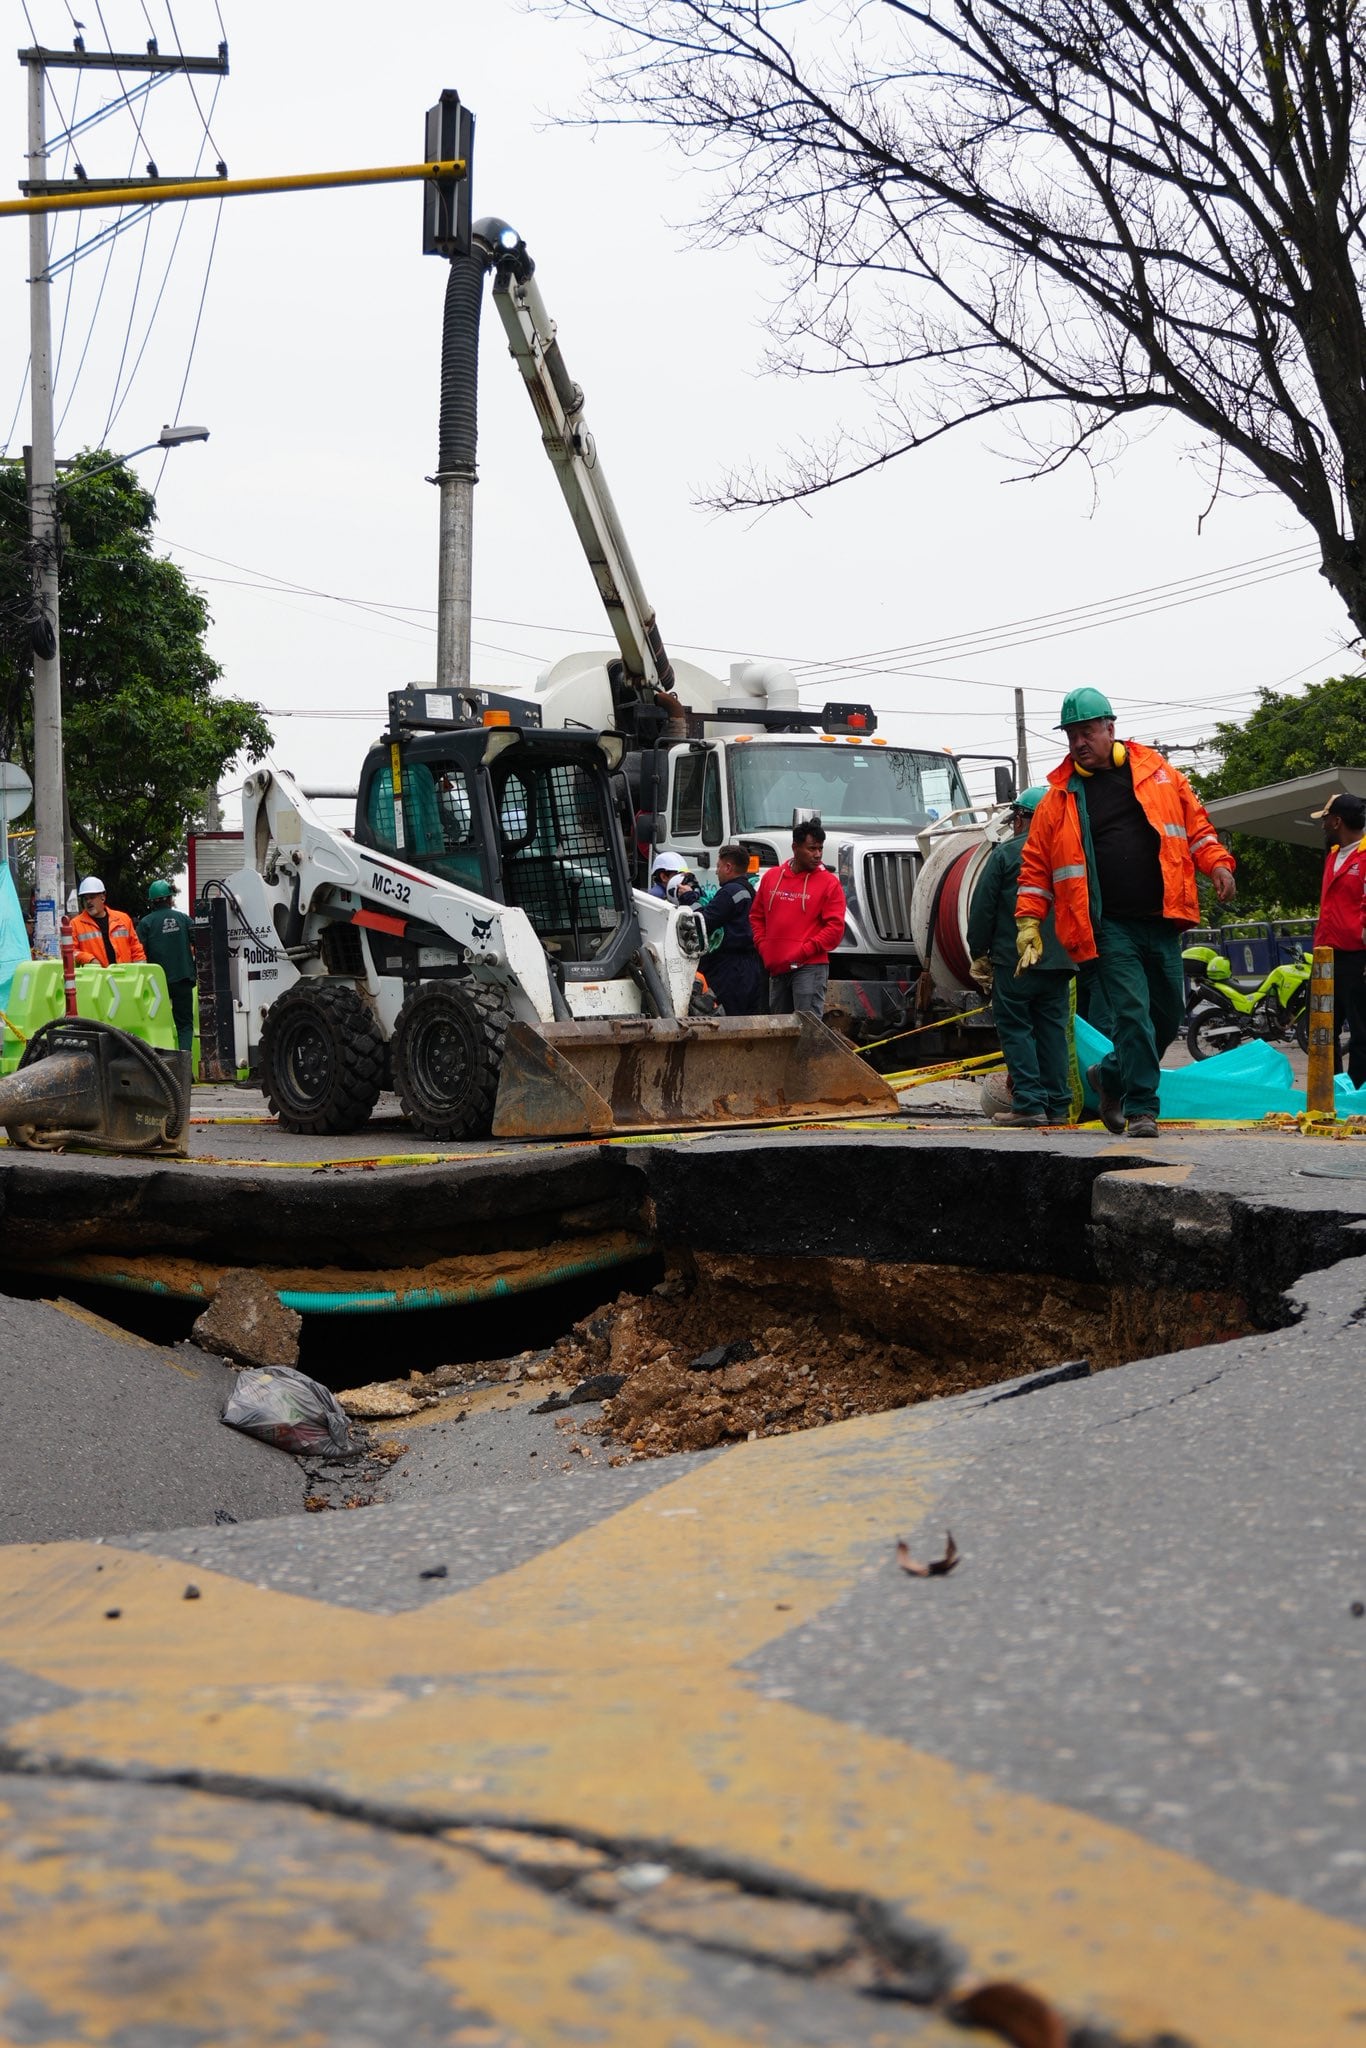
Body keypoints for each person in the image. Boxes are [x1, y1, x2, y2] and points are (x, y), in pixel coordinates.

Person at [1016, 688, 1236, 1139]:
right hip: (1108, 926)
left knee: (1167, 1013)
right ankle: (1141, 1109)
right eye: (1072, 734)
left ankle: (1111, 1074)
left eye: (1087, 731)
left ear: (1110, 729)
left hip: (1162, 919)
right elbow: (1036, 867)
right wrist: (1028, 922)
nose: (1079, 741)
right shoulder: (1059, 798)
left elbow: (1197, 829)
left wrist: (1216, 863)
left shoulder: (1160, 775)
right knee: (1132, 1014)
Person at [967, 787, 1073, 1127]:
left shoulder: (1007, 854)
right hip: (1061, 961)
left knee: (1016, 1028)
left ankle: (1028, 1103)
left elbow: (983, 908)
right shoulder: (1072, 855)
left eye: (1016, 818)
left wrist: (978, 951)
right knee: (1053, 1031)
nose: (1014, 825)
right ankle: (1057, 1105)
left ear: (1026, 818)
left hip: (1017, 961)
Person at [750, 818, 846, 1018]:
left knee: (807, 1028)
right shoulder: (771, 877)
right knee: (779, 1029)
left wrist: (804, 951)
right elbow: (756, 916)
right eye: (812, 848)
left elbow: (835, 929)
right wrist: (763, 945)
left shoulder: (829, 883)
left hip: (809, 967)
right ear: (795, 847)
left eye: (820, 848)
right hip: (777, 966)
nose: (818, 854)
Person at [1310, 791, 1366, 1087]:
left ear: (1338, 820)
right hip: (1326, 955)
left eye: (1326, 819)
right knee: (1323, 1027)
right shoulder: (1332, 855)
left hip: (1356, 956)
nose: (1323, 825)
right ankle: (1328, 1089)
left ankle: (1358, 1090)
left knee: (1360, 1031)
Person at [701, 843, 766, 1015]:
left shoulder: (729, 893)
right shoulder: (751, 891)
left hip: (730, 969)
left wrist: (690, 900)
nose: (716, 871)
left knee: (728, 1018)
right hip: (753, 967)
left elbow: (704, 923)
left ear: (728, 867)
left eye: (718, 866)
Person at [137, 879, 198, 1054]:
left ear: (152, 902)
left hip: (156, 984)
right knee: (185, 1025)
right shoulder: (184, 919)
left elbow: (138, 954)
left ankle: (164, 1067)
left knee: (158, 1024)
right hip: (183, 978)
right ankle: (185, 1068)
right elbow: (201, 944)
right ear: (170, 899)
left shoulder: (146, 924)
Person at [69, 876, 146, 968]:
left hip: (124, 977)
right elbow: (70, 951)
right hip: (96, 979)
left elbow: (136, 949)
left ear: (102, 898)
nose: (88, 901)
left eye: (92, 897)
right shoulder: (75, 924)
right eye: (85, 899)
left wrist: (141, 971)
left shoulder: (123, 919)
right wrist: (89, 959)